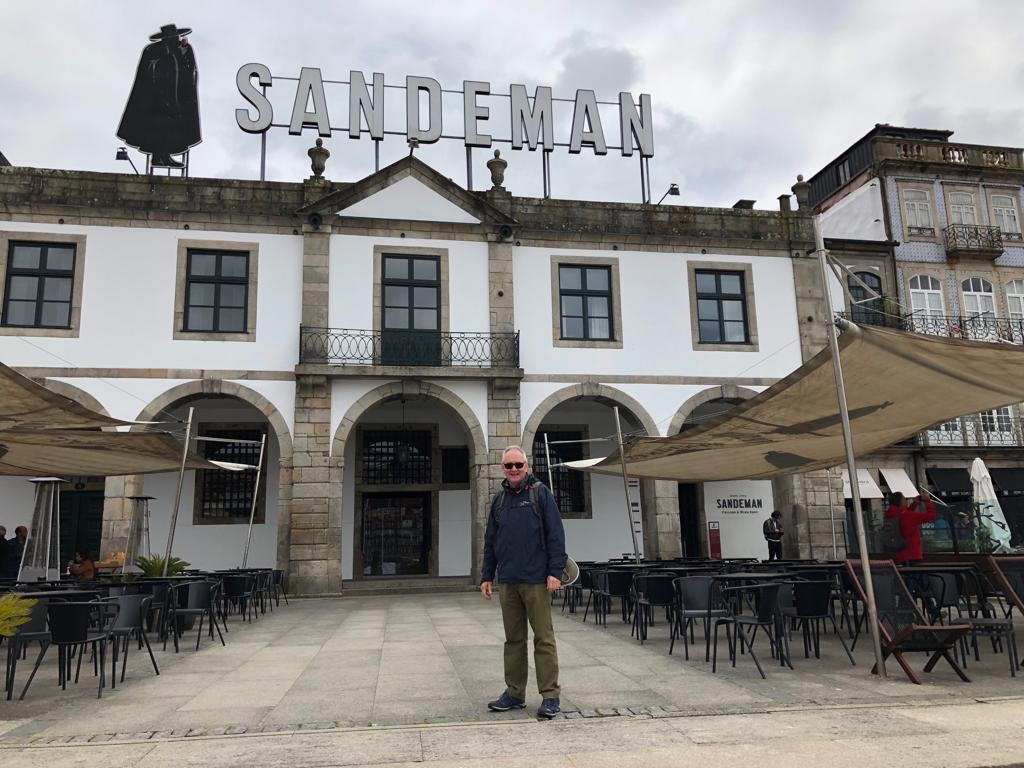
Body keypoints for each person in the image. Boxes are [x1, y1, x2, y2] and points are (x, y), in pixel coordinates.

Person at [481, 445, 566, 720]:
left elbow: (556, 534)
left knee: (544, 638)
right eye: (509, 465)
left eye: (518, 465)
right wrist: (486, 575)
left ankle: (550, 696)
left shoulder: (540, 493)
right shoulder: (499, 500)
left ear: (527, 466)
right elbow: (491, 540)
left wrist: (555, 572)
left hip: (536, 580)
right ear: (502, 469)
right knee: (513, 640)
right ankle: (515, 693)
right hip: (508, 581)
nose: (514, 469)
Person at [117, 23, 201, 168]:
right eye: (174, 37)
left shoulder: (180, 50)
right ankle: (159, 156)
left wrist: (184, 53)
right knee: (159, 126)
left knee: (171, 127)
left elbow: (188, 71)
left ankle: (165, 156)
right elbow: (149, 71)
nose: (177, 39)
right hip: (156, 98)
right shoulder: (153, 50)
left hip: (176, 98)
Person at [884, 489, 937, 565]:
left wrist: (914, 504)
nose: (906, 501)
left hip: (897, 554)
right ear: (901, 502)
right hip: (912, 554)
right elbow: (931, 515)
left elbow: (904, 516)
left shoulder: (889, 515)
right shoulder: (908, 516)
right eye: (904, 499)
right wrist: (927, 501)